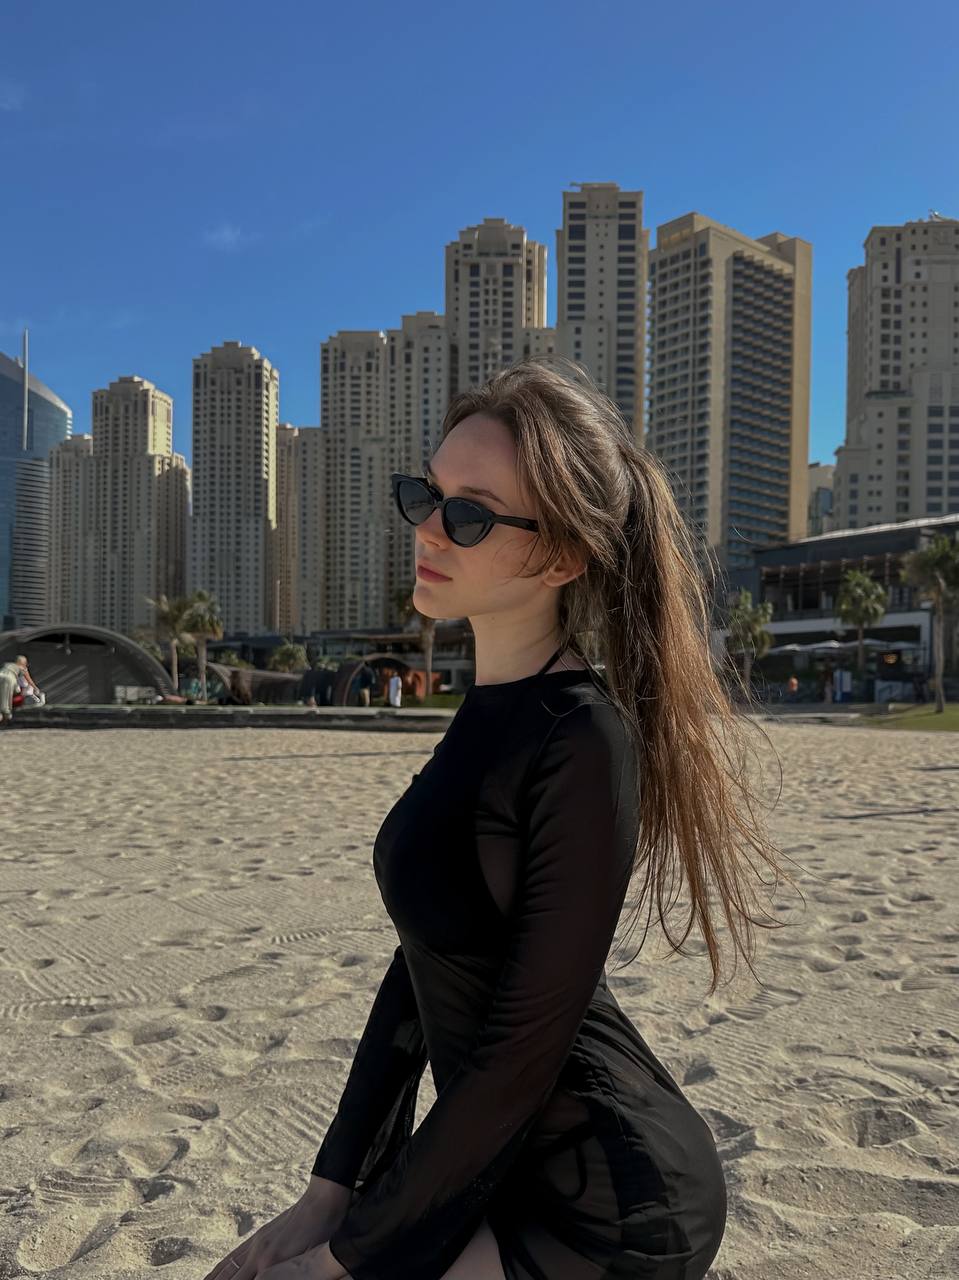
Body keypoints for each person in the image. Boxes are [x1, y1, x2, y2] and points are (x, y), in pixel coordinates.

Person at [204, 356, 798, 1280]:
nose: (428, 528)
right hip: (489, 1164)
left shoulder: (584, 739)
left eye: (469, 515)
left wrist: (343, 1263)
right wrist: (329, 1192)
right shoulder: (487, 712)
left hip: (606, 1206)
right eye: (426, 495)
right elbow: (423, 963)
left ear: (561, 557)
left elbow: (525, 1049)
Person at [0, 658, 21, 725]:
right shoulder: (14, 673)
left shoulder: (4, 667)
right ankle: (6, 719)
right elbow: (17, 690)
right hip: (9, 680)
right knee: (6, 703)